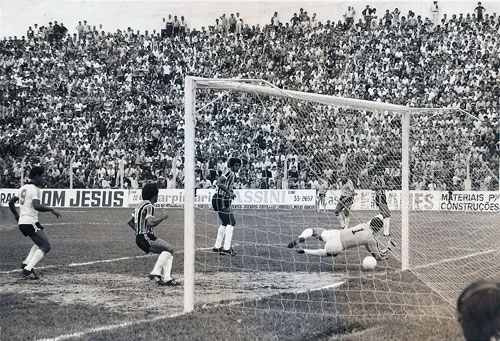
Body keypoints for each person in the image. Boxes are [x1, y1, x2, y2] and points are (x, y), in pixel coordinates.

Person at [8, 166, 62, 280]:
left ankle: (26, 263)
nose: (43, 179)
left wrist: (17, 215)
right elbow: (37, 206)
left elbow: (11, 202)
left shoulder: (23, 188)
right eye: (42, 176)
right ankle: (28, 269)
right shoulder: (35, 190)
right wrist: (51, 209)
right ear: (37, 176)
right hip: (30, 221)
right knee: (45, 246)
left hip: (25, 222)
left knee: (40, 243)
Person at [127, 183, 180, 286]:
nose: (158, 197)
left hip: (140, 237)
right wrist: (163, 217)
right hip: (146, 236)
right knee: (169, 249)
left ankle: (167, 278)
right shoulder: (149, 206)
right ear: (154, 195)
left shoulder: (139, 205)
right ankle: (155, 272)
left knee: (168, 251)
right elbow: (150, 223)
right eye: (157, 194)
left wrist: (138, 231)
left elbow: (130, 222)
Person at [287, 215, 395, 259]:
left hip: (336, 233)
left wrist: (370, 251)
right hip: (338, 245)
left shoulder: (364, 225)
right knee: (328, 253)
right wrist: (389, 247)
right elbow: (379, 256)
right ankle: (304, 251)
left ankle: (302, 237)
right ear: (377, 229)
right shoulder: (371, 239)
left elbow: (368, 245)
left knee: (314, 231)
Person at [211, 157, 241, 256]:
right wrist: (228, 192)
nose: (238, 167)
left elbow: (225, 184)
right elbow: (219, 182)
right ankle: (226, 248)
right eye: (236, 165)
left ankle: (217, 246)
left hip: (221, 198)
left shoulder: (230, 173)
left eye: (239, 165)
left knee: (225, 222)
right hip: (221, 198)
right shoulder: (229, 172)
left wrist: (231, 193)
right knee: (232, 222)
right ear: (231, 165)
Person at [372, 168, 391, 236]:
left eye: (382, 170)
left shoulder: (382, 177)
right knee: (386, 214)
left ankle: (386, 232)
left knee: (386, 215)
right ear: (377, 170)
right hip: (379, 196)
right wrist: (384, 187)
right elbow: (373, 187)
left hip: (383, 196)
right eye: (380, 169)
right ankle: (372, 225)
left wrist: (388, 187)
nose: (381, 171)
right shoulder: (375, 178)